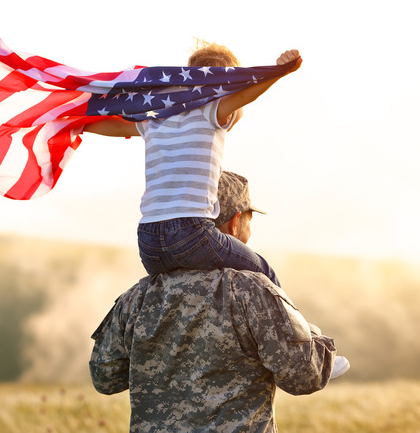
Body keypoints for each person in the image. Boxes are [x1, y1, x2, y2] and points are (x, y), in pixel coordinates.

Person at [89, 171, 349, 432]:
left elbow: (105, 377)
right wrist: (312, 335)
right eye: (248, 219)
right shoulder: (252, 290)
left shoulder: (137, 297)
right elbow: (303, 376)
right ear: (235, 222)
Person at [84, 42, 301, 287]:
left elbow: (113, 126)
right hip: (191, 234)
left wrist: (72, 122)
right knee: (265, 272)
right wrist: (279, 72)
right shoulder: (210, 110)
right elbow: (243, 97)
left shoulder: (157, 116)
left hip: (148, 244)